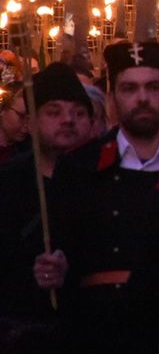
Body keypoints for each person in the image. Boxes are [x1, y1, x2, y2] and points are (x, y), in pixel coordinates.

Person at [35, 41, 159, 351]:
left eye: (153, 87)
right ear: (112, 96)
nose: (142, 98)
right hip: (101, 332)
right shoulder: (80, 167)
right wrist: (57, 267)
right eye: (129, 88)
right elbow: (64, 245)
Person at [0, 63, 93, 348]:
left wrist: (71, 268)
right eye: (54, 112)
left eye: (78, 113)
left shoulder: (101, 178)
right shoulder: (8, 181)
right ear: (30, 122)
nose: (67, 120)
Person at [0, 82, 29, 164]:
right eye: (22, 116)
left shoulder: (27, 153)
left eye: (30, 119)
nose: (27, 125)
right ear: (3, 108)